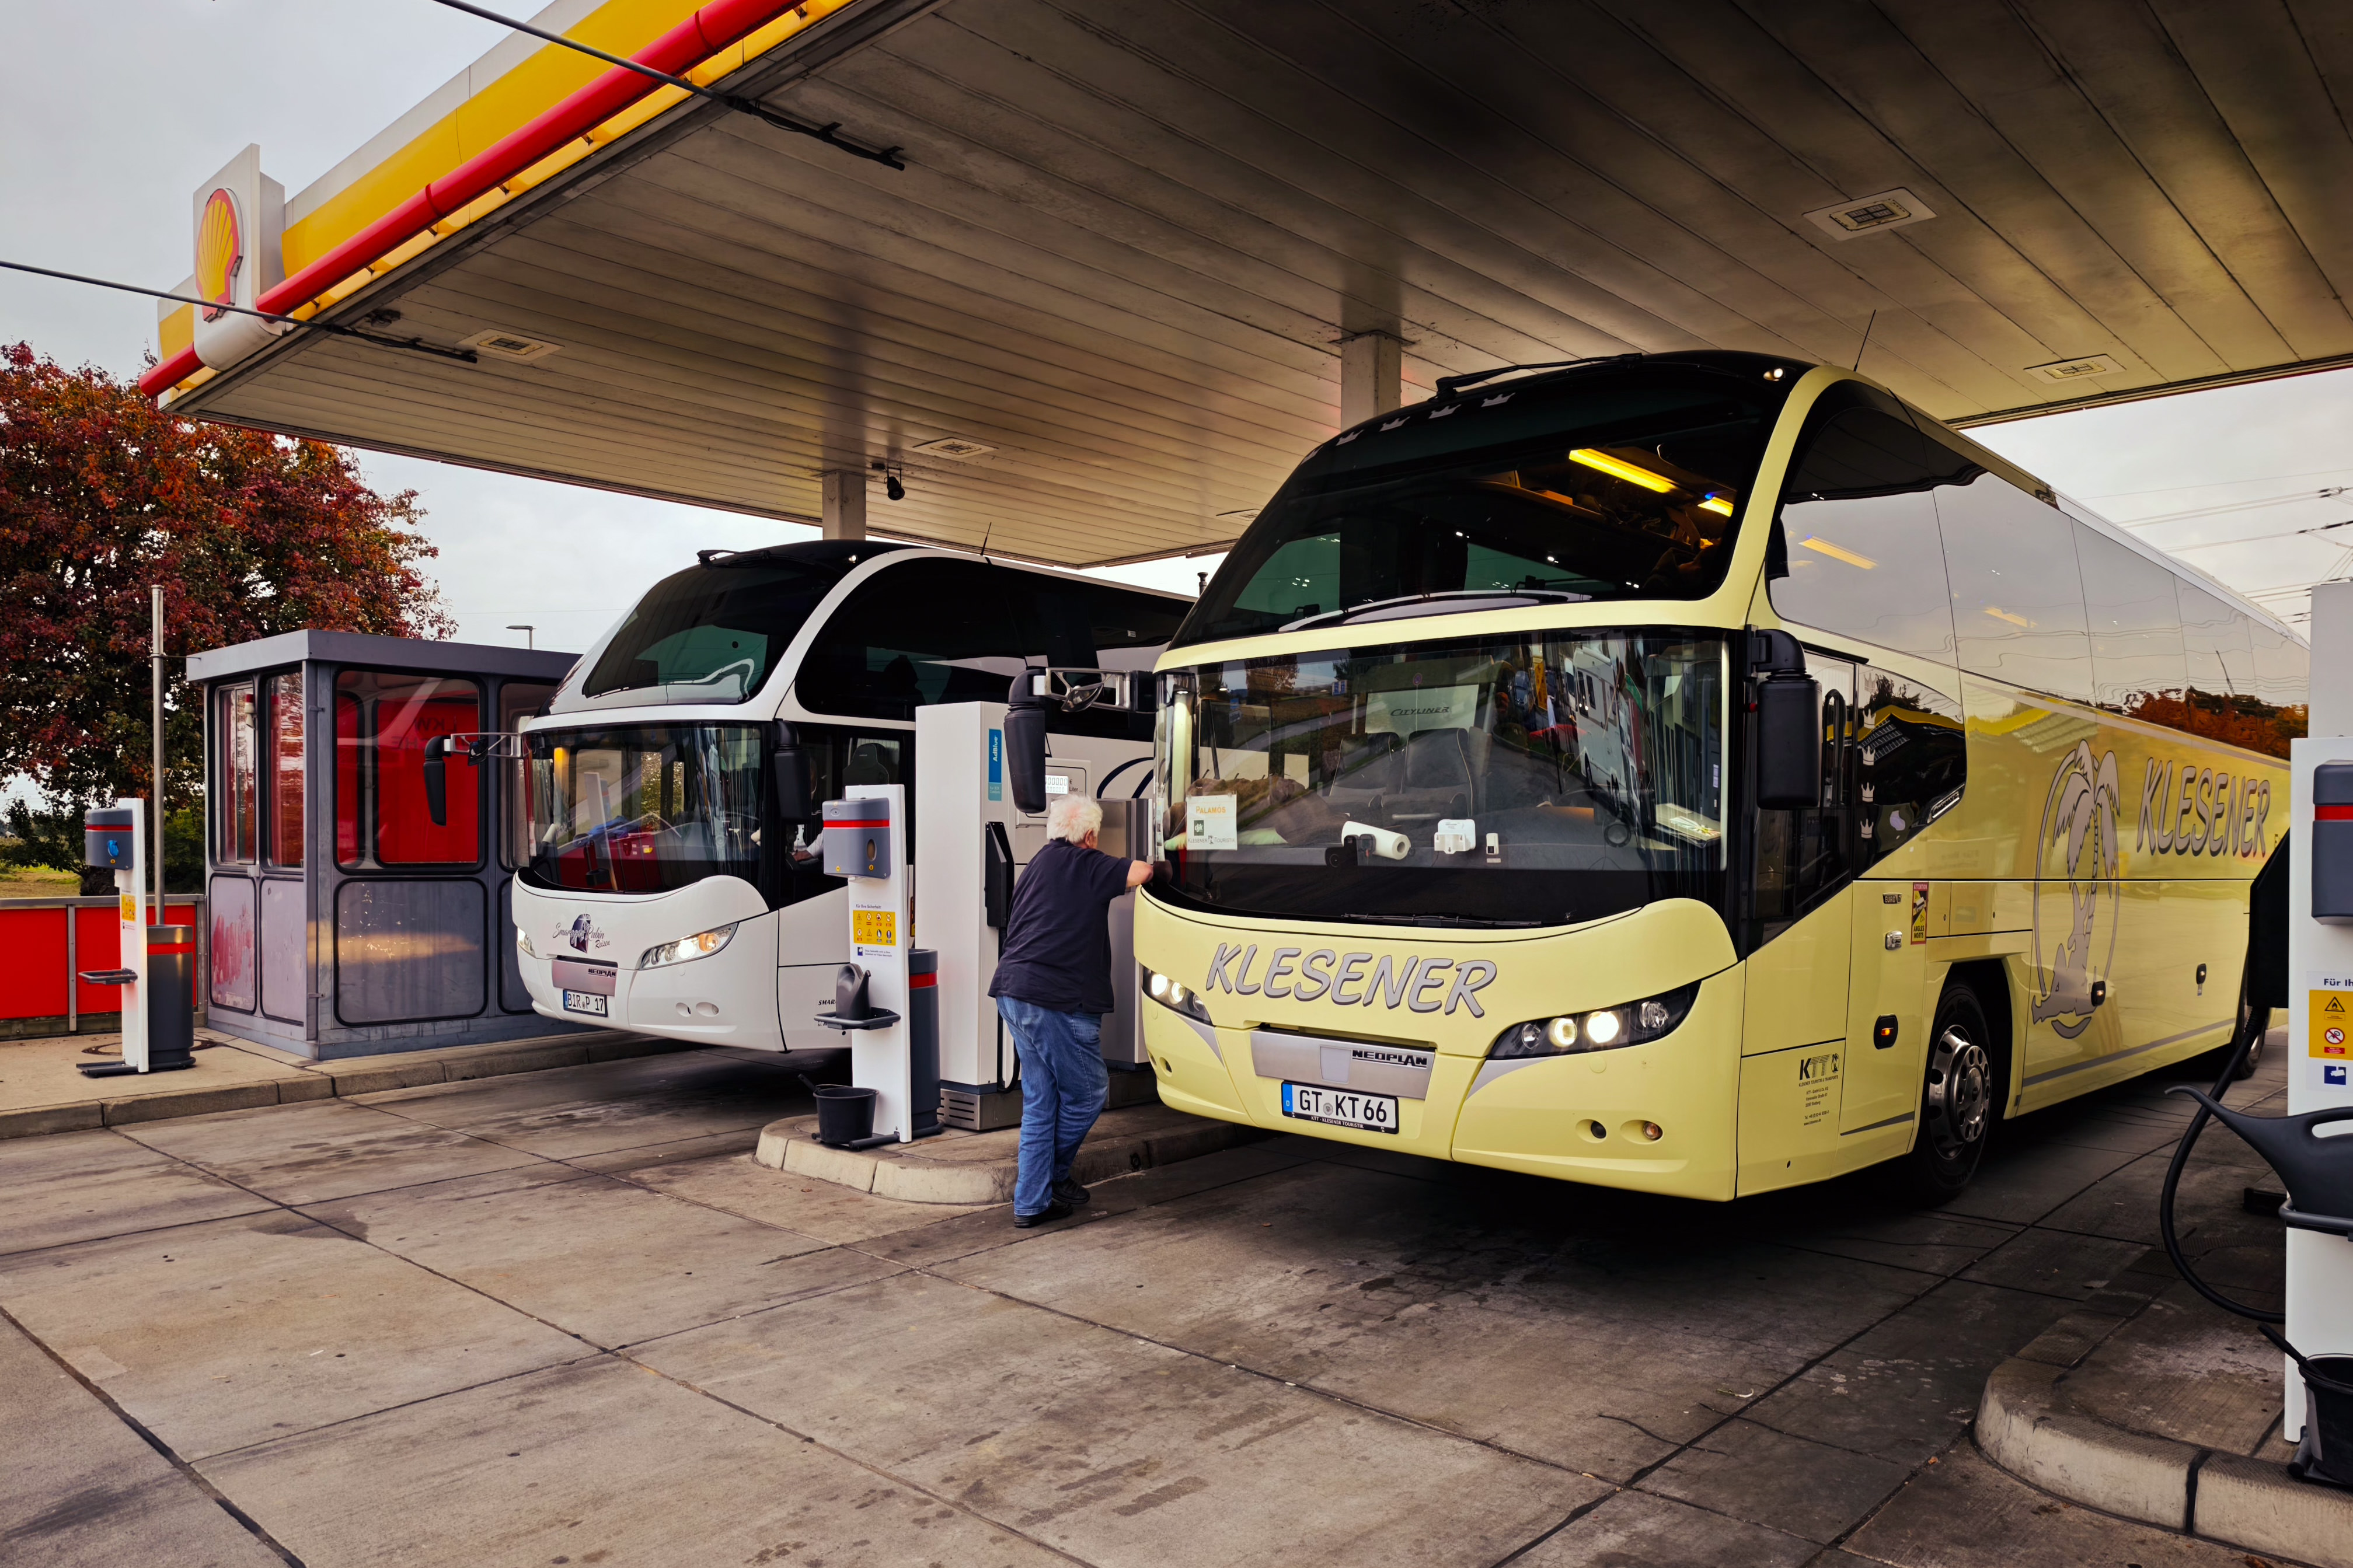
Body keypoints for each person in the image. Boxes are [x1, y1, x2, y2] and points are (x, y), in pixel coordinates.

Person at [988, 792, 1153, 1227]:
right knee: (1088, 1092)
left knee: (1041, 1100)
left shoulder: (1038, 863)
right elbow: (1143, 872)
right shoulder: (1087, 863)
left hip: (1013, 991)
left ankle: (1031, 1203)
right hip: (1055, 1001)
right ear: (1091, 836)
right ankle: (1053, 1177)